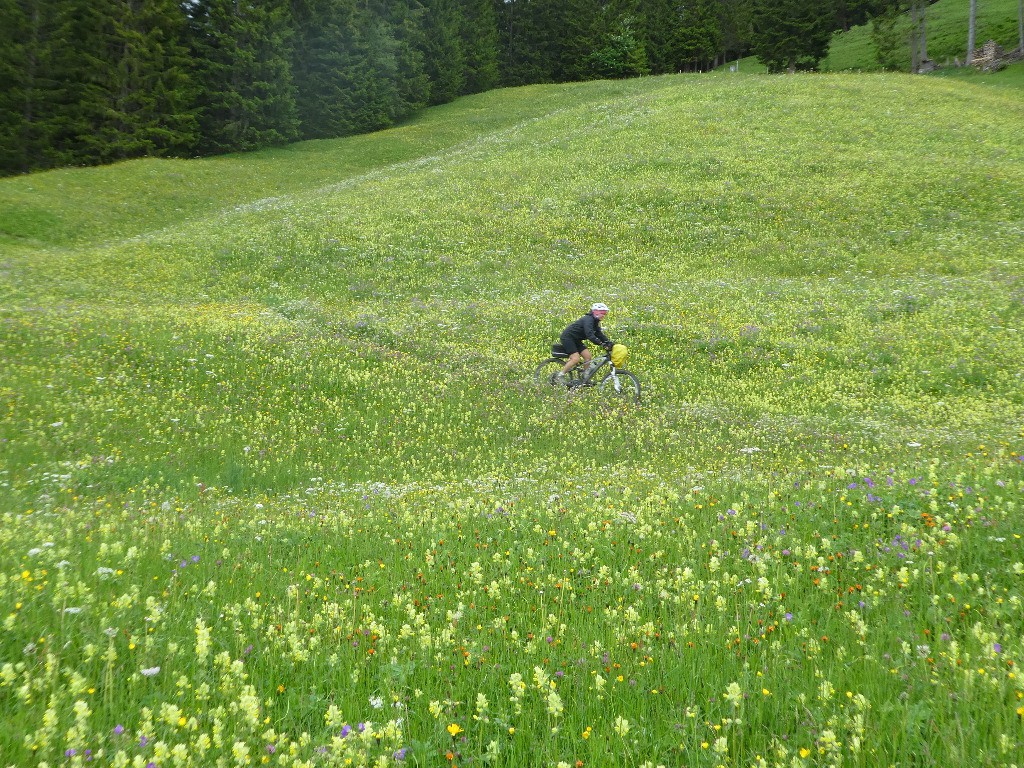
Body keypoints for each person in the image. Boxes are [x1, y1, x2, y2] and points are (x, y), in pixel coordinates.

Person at [556, 303, 614, 386]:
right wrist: (600, 343)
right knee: (575, 359)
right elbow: (589, 334)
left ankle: (585, 378)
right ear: (596, 312)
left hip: (576, 339)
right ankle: (560, 375)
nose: (604, 315)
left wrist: (608, 342)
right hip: (568, 338)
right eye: (602, 313)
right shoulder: (588, 320)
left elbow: (599, 334)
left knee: (588, 357)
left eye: (605, 314)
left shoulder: (595, 321)